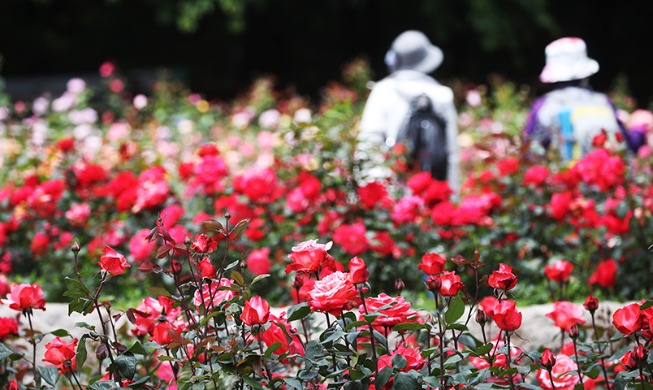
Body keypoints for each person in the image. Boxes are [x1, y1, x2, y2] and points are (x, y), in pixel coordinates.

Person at [356, 30, 460, 194]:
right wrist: (452, 196)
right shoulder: (442, 95)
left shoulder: (383, 90)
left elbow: (368, 142)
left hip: (392, 191)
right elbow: (452, 153)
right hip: (432, 194)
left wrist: (373, 192)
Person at [523, 37, 646, 160]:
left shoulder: (543, 105)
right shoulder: (603, 102)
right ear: (585, 73)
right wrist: (639, 128)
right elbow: (628, 145)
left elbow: (530, 152)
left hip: (564, 176)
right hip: (607, 176)